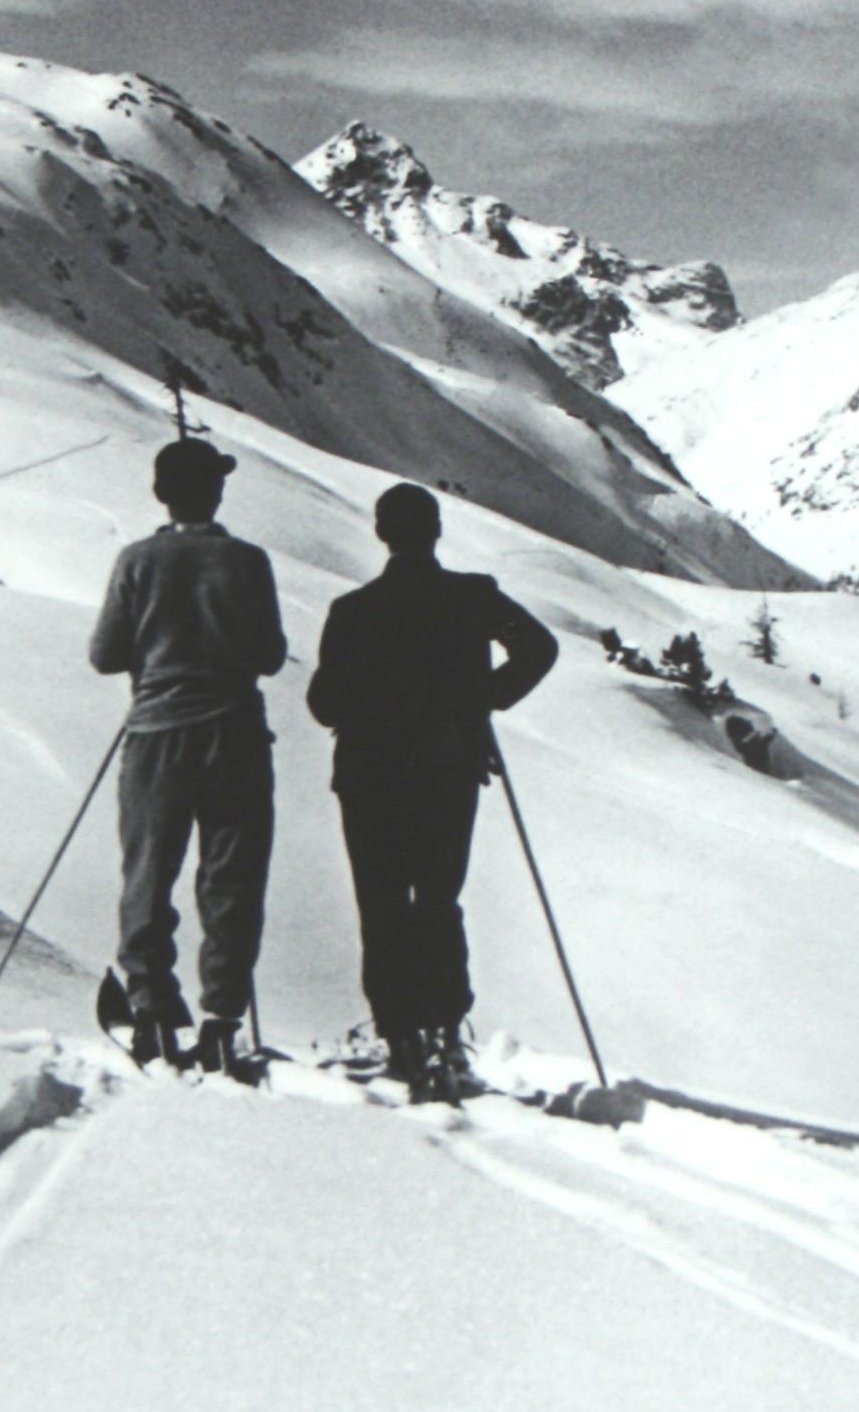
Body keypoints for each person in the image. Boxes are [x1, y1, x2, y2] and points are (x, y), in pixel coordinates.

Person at [307, 482, 559, 1100]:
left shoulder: (354, 610)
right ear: (436, 530)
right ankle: (446, 1032)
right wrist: (482, 702)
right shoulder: (473, 597)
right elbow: (539, 648)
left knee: (383, 902)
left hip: (370, 775)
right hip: (448, 765)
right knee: (440, 899)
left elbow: (323, 702)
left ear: (381, 533)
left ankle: (401, 1040)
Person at [87, 436, 286, 1079]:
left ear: (159, 494)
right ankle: (222, 1020)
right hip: (234, 732)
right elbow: (270, 656)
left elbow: (105, 654)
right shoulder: (247, 561)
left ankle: (151, 1013)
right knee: (231, 881)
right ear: (217, 491)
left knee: (149, 873)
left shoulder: (136, 560)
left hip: (157, 732)